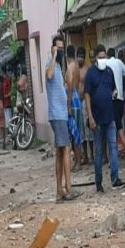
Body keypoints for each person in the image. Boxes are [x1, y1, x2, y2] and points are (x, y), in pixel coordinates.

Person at [84, 44, 124, 191]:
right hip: (97, 119)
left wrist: (114, 94)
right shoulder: (91, 74)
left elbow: (113, 89)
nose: (102, 60)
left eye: (104, 57)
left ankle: (115, 178)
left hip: (110, 116)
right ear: (96, 58)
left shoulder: (109, 72)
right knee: (99, 152)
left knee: (113, 147)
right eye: (100, 58)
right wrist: (90, 116)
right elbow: (87, 95)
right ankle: (99, 182)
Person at [46, 34, 78, 202]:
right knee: (66, 149)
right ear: (53, 49)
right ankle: (69, 188)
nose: (60, 52)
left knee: (60, 152)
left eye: (61, 49)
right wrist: (53, 56)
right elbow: (49, 75)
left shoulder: (59, 66)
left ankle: (60, 191)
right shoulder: (50, 64)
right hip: (57, 114)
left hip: (62, 114)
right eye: (57, 48)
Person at [106, 46, 125, 167]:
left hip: (111, 100)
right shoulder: (119, 62)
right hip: (120, 99)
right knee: (118, 127)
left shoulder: (106, 64)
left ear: (107, 55)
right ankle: (117, 158)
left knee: (114, 129)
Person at [65, 45, 86, 169]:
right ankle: (78, 160)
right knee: (77, 132)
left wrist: (68, 106)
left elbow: (70, 88)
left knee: (74, 134)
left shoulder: (70, 68)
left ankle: (78, 162)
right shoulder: (77, 67)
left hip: (72, 101)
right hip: (77, 99)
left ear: (67, 55)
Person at [78, 46, 92, 161]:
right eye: (79, 56)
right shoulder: (74, 69)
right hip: (77, 102)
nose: (80, 59)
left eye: (82, 56)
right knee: (81, 130)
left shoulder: (87, 70)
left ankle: (91, 154)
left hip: (85, 102)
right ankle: (85, 156)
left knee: (88, 129)